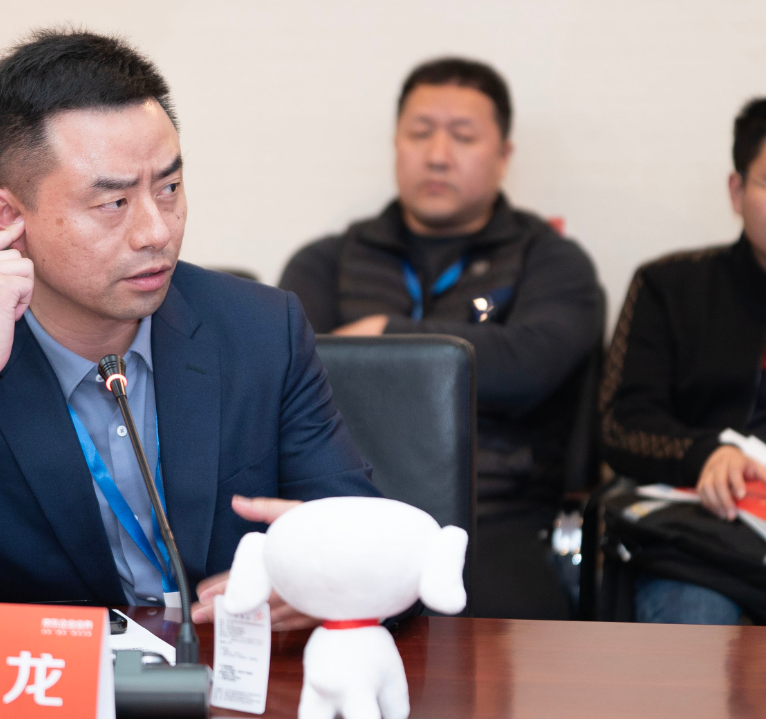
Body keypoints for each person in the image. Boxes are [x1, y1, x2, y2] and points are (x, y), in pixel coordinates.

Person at [0, 30, 379, 625]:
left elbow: (371, 546)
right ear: (9, 216)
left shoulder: (261, 331)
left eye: (169, 187)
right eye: (113, 203)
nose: (156, 231)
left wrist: (322, 579)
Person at [279, 57, 602, 620]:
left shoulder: (549, 261)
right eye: (420, 132)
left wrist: (384, 333)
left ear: (504, 155)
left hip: (494, 515)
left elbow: (530, 365)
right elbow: (290, 377)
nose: (437, 155)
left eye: (463, 136)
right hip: (351, 509)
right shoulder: (326, 262)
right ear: (396, 143)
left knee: (498, 656)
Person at [600, 97, 766, 625]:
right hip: (702, 544)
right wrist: (705, 454)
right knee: (696, 624)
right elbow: (621, 425)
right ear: (737, 192)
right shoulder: (668, 287)